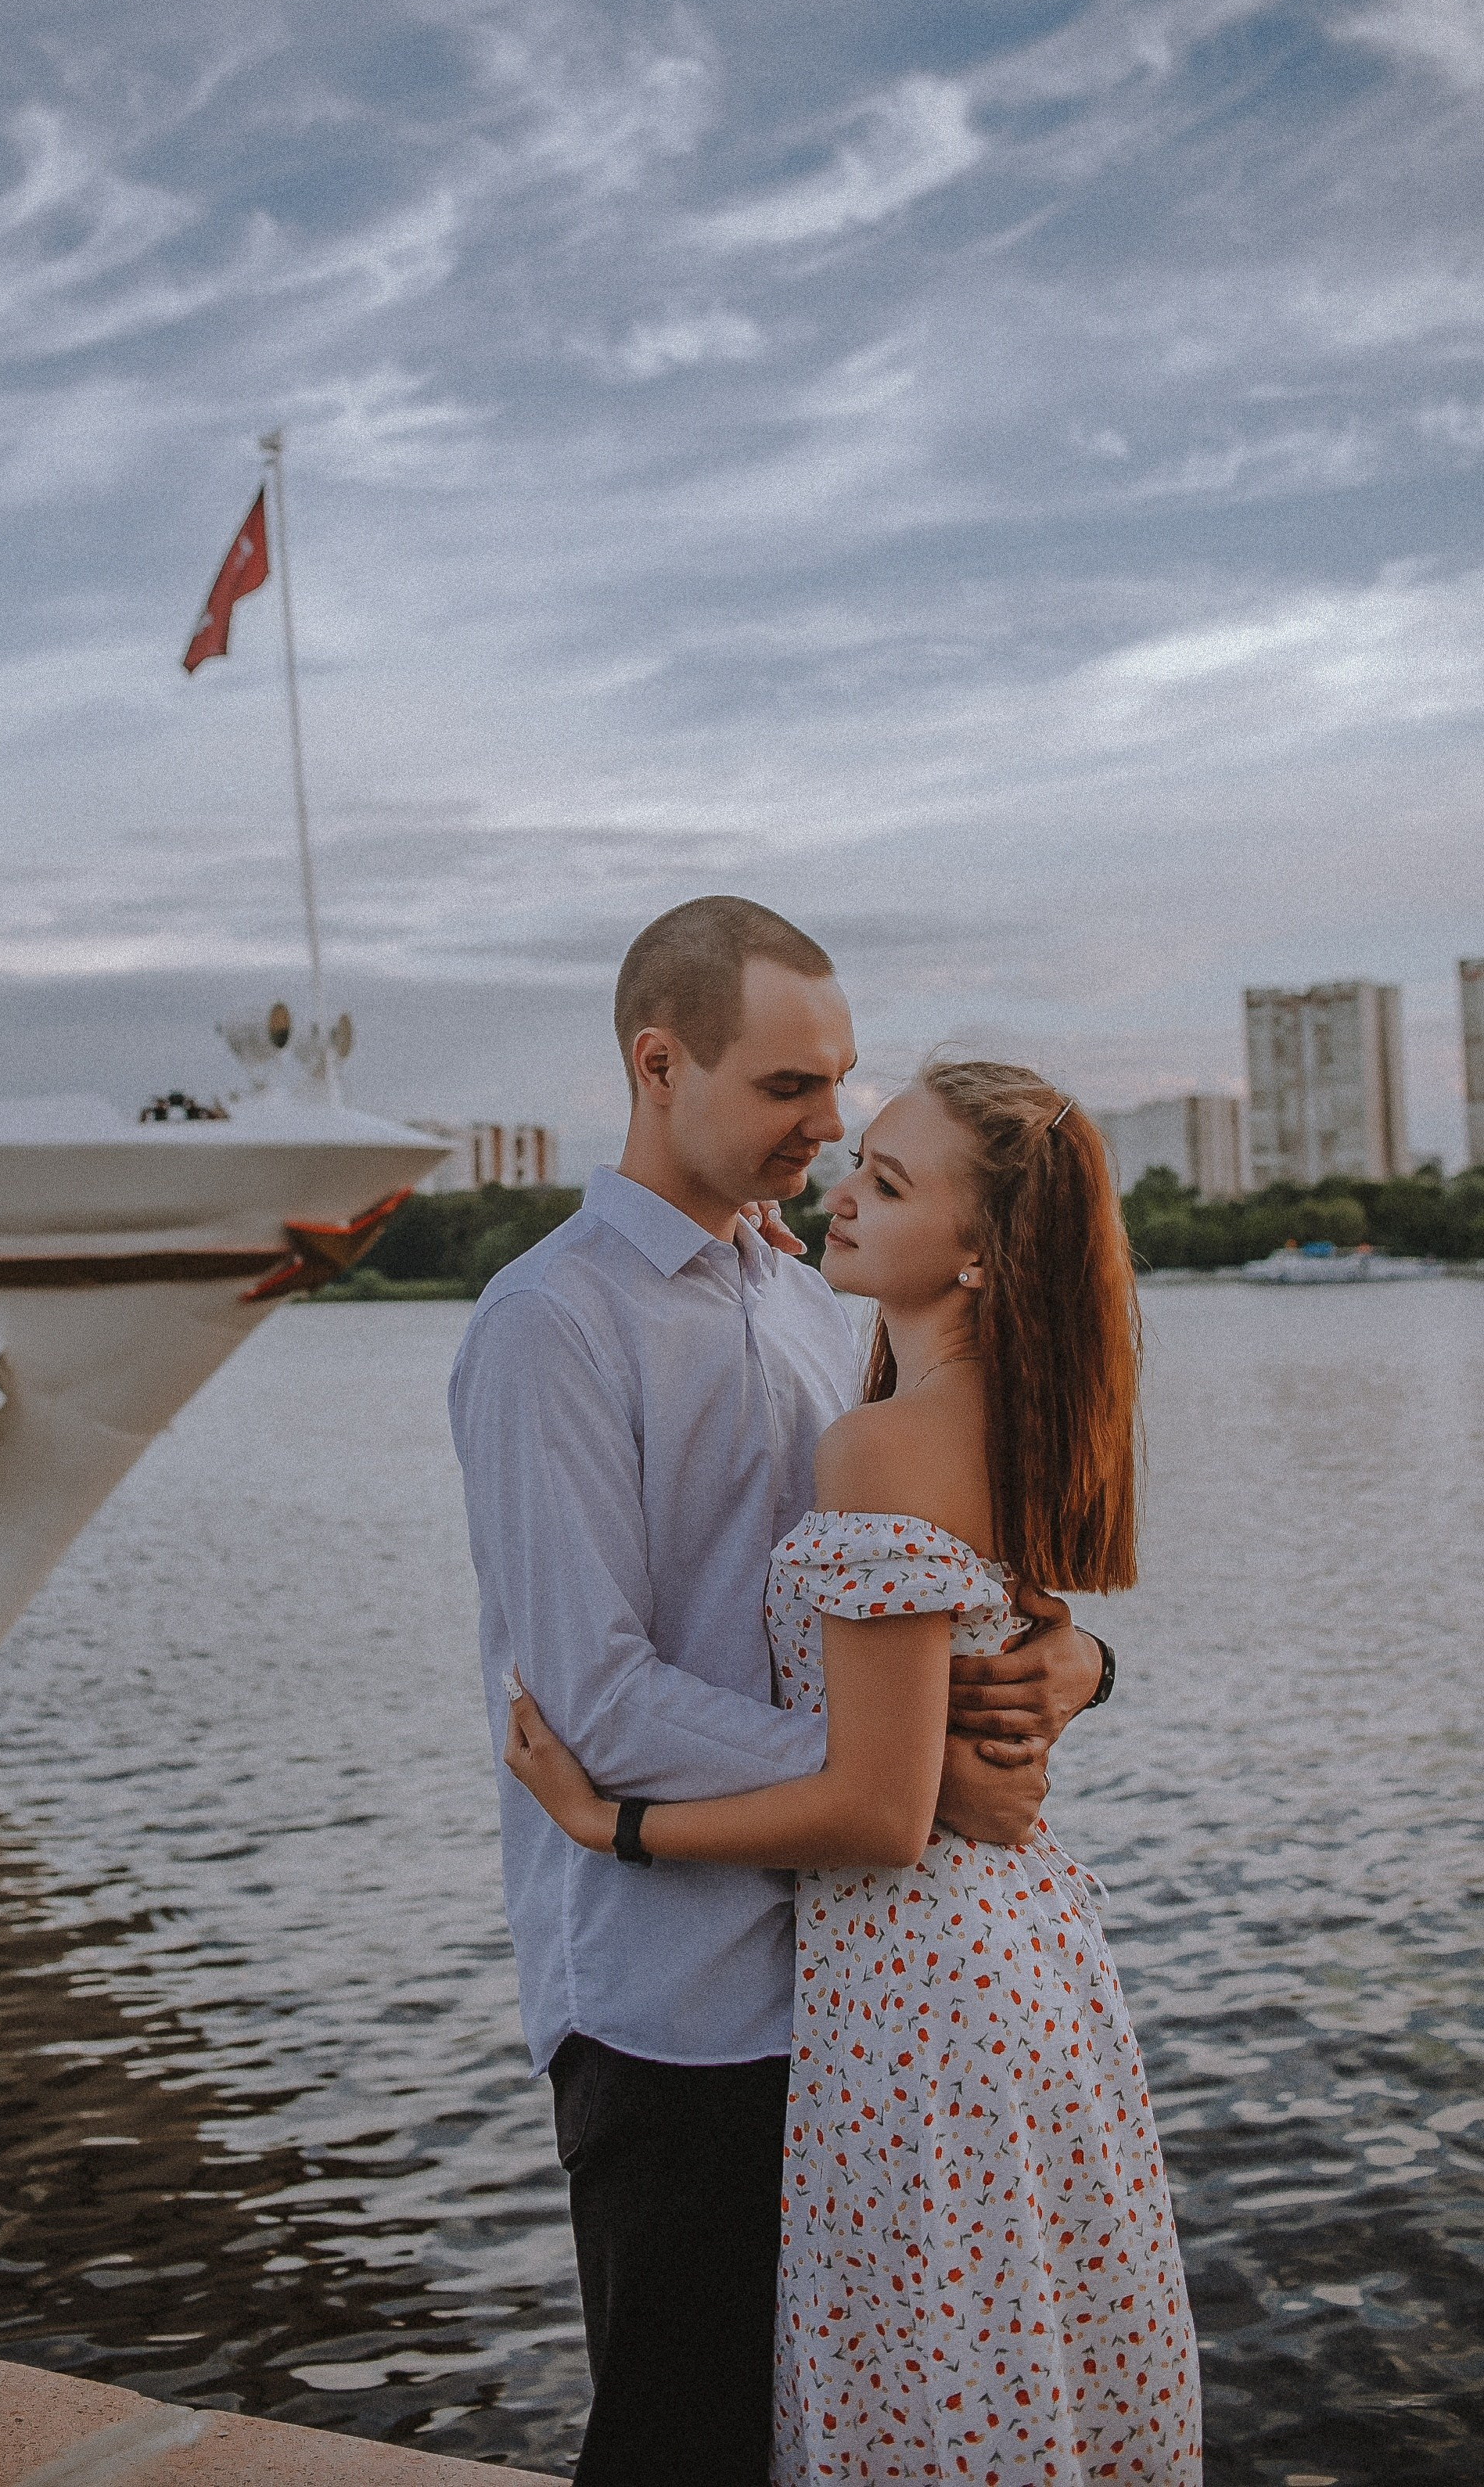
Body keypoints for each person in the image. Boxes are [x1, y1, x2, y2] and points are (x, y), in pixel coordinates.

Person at [448, 899, 1112, 2487]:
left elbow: (950, 1586)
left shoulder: (823, 1305)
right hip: (677, 2001)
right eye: (788, 1090)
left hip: (874, 1994)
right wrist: (906, 1781)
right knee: (683, 2432)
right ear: (658, 1063)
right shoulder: (551, 1325)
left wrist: (1078, 1665)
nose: (830, 1125)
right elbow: (594, 1697)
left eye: (842, 1086)